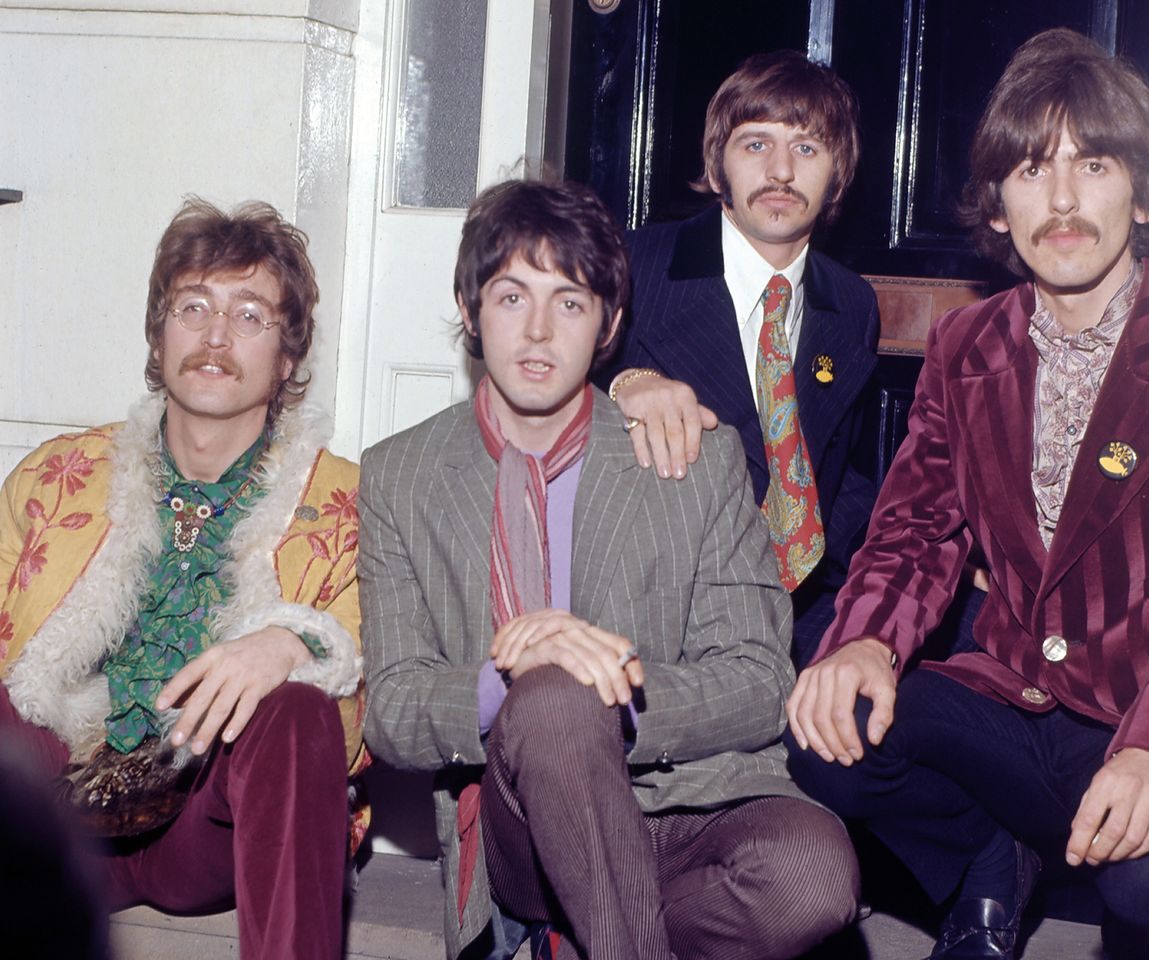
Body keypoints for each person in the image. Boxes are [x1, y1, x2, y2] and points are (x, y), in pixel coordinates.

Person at [785, 27, 1149, 960]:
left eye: (1092, 165)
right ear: (998, 210)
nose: (1061, 200)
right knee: (826, 728)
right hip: (1009, 697)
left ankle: (1143, 930)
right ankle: (989, 860)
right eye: (1028, 170)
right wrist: (863, 645)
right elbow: (915, 531)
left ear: (1142, 195)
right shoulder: (968, 345)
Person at [359, 178, 857, 960]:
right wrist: (511, 678)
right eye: (511, 296)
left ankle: (594, 934)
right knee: (551, 697)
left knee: (812, 877)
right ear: (469, 307)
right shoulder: (400, 475)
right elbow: (390, 709)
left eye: (569, 302)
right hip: (517, 824)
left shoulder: (697, 457)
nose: (536, 332)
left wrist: (610, 681)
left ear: (609, 325)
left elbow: (762, 681)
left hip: (684, 797)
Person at [0, 198, 364, 960]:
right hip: (57, 811)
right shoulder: (53, 479)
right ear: (159, 336)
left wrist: (291, 645)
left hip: (209, 829)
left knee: (298, 712)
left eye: (250, 315)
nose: (216, 337)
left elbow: (369, 717)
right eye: (192, 307)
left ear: (288, 355)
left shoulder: (344, 509)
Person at [598, 50, 881, 666]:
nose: (781, 171)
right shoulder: (634, 266)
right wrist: (626, 381)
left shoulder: (852, 304)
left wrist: (921, 564)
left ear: (838, 172)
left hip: (809, 605)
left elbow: (837, 475)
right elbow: (549, 397)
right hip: (668, 613)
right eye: (756, 145)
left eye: (807, 149)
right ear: (718, 164)